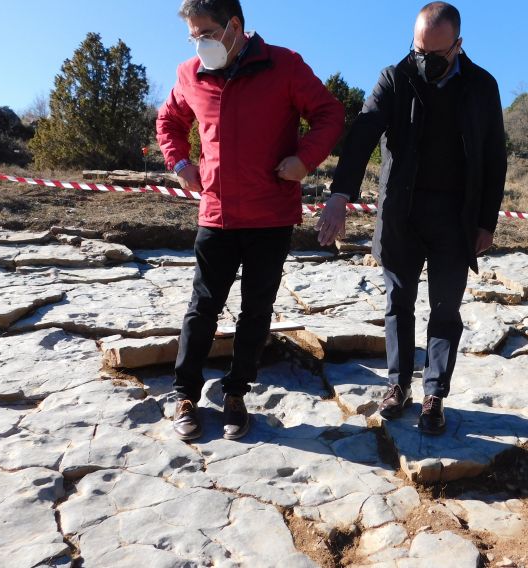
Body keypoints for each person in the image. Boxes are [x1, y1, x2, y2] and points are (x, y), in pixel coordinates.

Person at [157, 0, 344, 441]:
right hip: (216, 215)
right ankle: (185, 394)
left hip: (270, 216)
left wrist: (304, 160)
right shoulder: (190, 73)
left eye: (205, 32)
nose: (198, 43)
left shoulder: (284, 65)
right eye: (192, 36)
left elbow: (329, 114)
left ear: (234, 26)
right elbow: (169, 120)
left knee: (256, 311)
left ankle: (236, 394)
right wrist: (180, 164)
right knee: (202, 308)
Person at [322, 2, 506, 435]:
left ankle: (434, 395)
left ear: (458, 46)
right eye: (418, 50)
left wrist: (486, 222)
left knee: (445, 309)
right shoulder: (395, 76)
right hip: (400, 213)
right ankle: (397, 385)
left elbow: (495, 159)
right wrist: (340, 194)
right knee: (397, 303)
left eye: (435, 55)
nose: (424, 62)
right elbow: (362, 133)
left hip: (455, 218)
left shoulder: (482, 86)